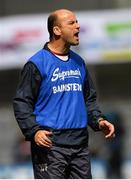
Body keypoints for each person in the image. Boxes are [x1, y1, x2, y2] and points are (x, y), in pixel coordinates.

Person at [13, 9, 115, 179]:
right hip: (50, 144)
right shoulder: (37, 64)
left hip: (80, 143)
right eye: (72, 23)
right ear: (57, 30)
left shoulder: (79, 62)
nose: (78, 26)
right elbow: (22, 102)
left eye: (77, 22)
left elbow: (88, 99)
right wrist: (34, 131)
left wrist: (99, 120)